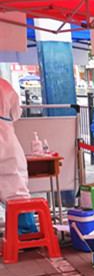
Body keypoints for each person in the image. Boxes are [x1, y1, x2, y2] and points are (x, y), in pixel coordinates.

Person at [0, 78, 37, 235]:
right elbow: (16, 113)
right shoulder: (4, 85)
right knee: (16, 189)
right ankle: (25, 233)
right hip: (6, 139)